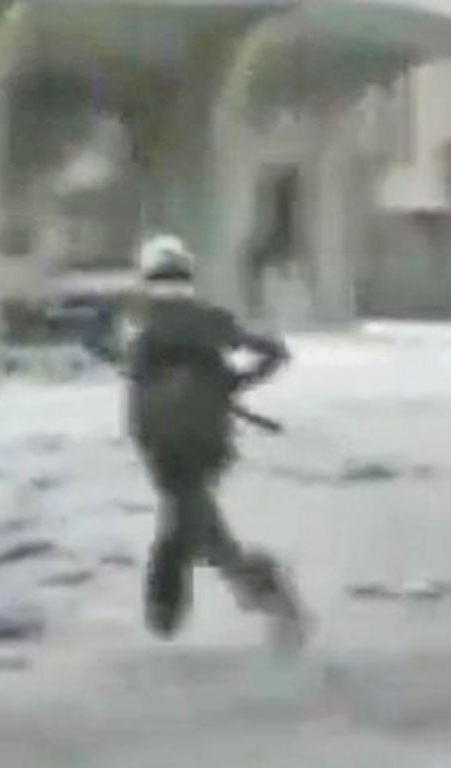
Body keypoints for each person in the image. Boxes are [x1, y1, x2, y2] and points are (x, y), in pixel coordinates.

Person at [122, 234, 309, 651]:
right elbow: (274, 353)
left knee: (193, 522)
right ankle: (172, 603)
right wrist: (231, 384)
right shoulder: (209, 320)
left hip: (163, 442)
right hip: (208, 438)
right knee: (188, 516)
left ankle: (249, 589)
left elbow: (137, 387)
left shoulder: (142, 326)